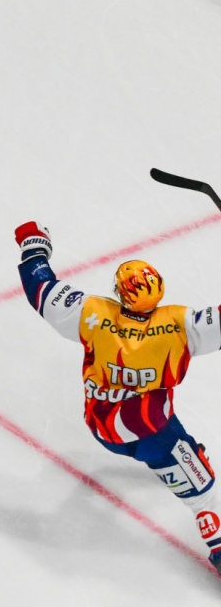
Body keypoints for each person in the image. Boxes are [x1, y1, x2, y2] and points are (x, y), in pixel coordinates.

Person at [15, 221, 221, 571]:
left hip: (102, 426)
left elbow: (42, 289)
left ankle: (174, 462)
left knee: (167, 443)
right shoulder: (182, 324)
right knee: (205, 492)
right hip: (152, 432)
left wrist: (33, 241)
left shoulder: (92, 313)